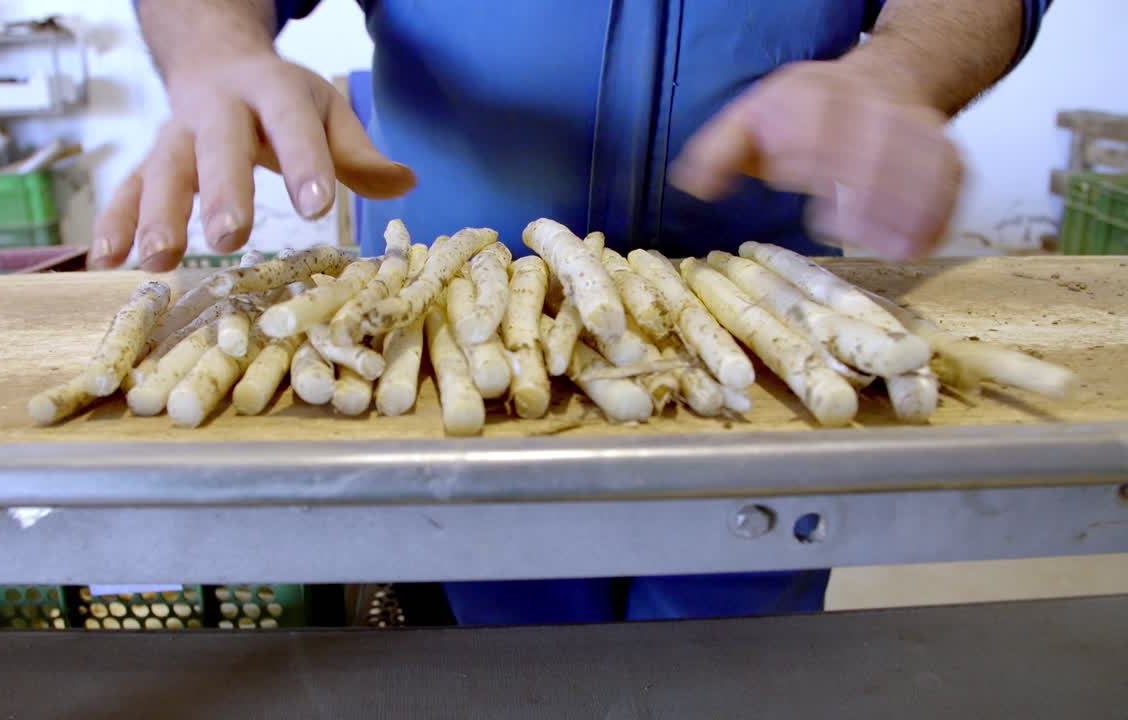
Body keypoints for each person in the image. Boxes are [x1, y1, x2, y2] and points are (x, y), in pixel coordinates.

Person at [89, 1, 1049, 624]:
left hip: (763, 336)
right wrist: (215, 48)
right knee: (494, 647)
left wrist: (901, 69)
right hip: (451, 330)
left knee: (733, 653)